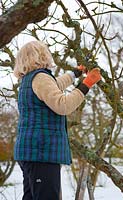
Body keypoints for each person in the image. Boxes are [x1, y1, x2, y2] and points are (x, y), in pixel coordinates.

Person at [13, 40, 101, 200]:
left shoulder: (29, 80)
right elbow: (63, 105)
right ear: (40, 55)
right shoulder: (40, 78)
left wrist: (75, 73)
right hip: (42, 153)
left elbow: (53, 86)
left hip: (30, 153)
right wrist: (86, 84)